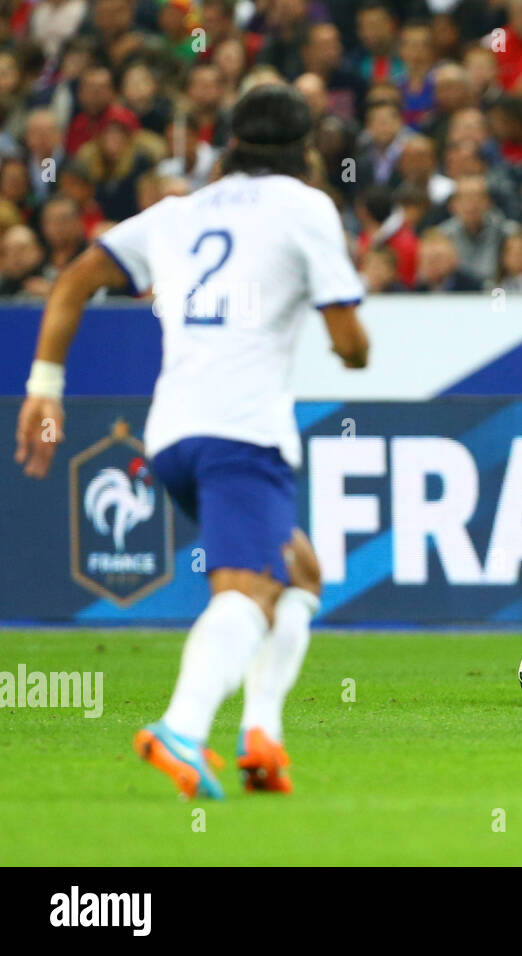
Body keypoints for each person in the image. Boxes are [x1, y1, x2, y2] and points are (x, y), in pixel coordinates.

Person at [14, 83, 370, 799]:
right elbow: (349, 343)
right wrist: (349, 338)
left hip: (171, 433)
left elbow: (73, 282)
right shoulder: (307, 206)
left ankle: (261, 735)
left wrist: (44, 386)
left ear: (229, 141)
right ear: (305, 151)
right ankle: (180, 727)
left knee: (298, 574)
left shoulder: (176, 212)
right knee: (245, 588)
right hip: (243, 432)